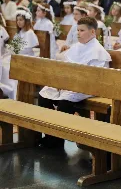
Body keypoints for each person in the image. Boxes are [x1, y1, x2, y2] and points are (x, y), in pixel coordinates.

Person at [38, 17, 111, 148]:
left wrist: (71, 83)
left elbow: (96, 79)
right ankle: (50, 135)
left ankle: (57, 139)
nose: (78, 33)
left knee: (64, 103)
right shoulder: (77, 47)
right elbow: (65, 66)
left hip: (86, 88)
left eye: (82, 30)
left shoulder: (99, 52)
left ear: (93, 32)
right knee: (43, 96)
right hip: (70, 84)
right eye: (77, 30)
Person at [0, 7, 38, 99]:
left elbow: (28, 49)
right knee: (3, 63)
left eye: (21, 20)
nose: (18, 22)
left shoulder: (29, 33)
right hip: (17, 56)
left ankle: (13, 91)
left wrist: (15, 51)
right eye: (17, 20)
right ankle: (4, 90)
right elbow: (14, 46)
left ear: (26, 21)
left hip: (25, 58)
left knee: (8, 67)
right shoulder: (20, 33)